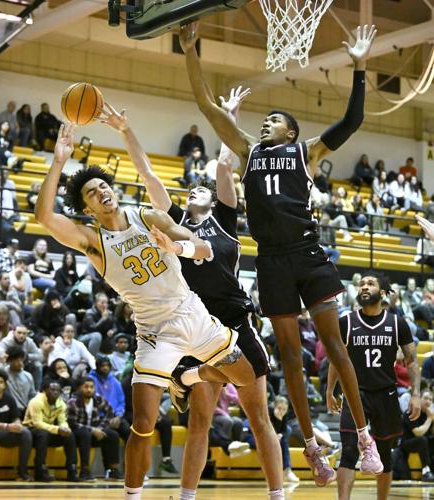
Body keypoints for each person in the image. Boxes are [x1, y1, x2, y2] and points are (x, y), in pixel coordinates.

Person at [180, 20, 382, 485]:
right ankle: (312, 447)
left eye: (275, 120)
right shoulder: (249, 151)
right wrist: (192, 51)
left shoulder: (305, 152)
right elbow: (206, 106)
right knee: (289, 357)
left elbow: (352, 122)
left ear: (291, 133)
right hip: (271, 260)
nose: (265, 122)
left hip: (308, 254)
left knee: (335, 345)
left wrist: (359, 67)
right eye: (265, 120)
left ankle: (364, 435)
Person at [35, 122, 256, 500]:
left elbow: (203, 249)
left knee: (246, 377)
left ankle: (184, 379)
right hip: (154, 332)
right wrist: (58, 162)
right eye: (91, 192)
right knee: (142, 423)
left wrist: (176, 248)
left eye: (103, 185)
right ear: (86, 207)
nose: (101, 191)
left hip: (194, 314)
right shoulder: (92, 241)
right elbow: (44, 217)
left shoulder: (147, 215)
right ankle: (132, 496)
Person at [100, 89, 284, 498]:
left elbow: (223, 161)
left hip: (234, 319)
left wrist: (228, 115)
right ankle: (186, 496)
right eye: (192, 189)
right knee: (199, 420)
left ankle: (277, 494)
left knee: (259, 414)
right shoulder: (173, 221)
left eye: (202, 189)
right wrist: (128, 132)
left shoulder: (225, 217)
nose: (196, 190)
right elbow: (147, 173)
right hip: (195, 321)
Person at [326, 271, 421, 500]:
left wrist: (416, 393)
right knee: (348, 451)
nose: (364, 287)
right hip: (354, 393)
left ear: (383, 292)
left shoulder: (397, 323)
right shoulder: (346, 322)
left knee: (385, 455)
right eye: (361, 284)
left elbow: (412, 360)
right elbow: (336, 360)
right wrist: (330, 390)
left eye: (370, 283)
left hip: (386, 394)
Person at [67, 377, 122, 481]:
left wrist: (100, 427)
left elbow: (110, 412)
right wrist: (92, 429)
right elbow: (72, 424)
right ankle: (85, 471)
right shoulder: (72, 402)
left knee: (113, 434)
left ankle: (112, 470)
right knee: (85, 434)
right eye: (86, 387)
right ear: (79, 388)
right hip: (77, 433)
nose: (89, 389)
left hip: (94, 431)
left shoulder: (97, 398)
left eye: (91, 387)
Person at [23, 379, 78, 482]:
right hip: (31, 431)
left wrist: (65, 428)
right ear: (45, 390)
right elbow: (37, 423)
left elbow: (62, 420)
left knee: (69, 435)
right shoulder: (36, 401)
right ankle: (40, 470)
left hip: (48, 430)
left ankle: (72, 469)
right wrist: (57, 429)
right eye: (52, 389)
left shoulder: (61, 404)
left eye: (58, 390)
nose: (55, 392)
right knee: (42, 434)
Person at [0, 369, 33, 482]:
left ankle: (22, 472)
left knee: (26, 432)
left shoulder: (9, 399)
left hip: (5, 434)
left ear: (5, 385)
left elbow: (16, 417)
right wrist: (6, 426)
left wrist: (17, 424)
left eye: (1, 382)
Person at [399, 389, 434, 482]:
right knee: (422, 440)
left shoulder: (428, 414)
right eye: (426, 398)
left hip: (423, 442)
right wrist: (430, 419)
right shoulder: (411, 412)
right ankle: (425, 471)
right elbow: (418, 433)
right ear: (419, 399)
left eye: (431, 399)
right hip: (407, 443)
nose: (428, 401)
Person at [0, 324, 43, 389]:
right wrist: (4, 355)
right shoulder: (7, 341)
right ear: (13, 332)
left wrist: (26, 356)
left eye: (24, 333)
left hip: (24, 363)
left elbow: (39, 356)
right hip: (9, 364)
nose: (21, 336)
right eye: (19, 333)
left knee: (38, 365)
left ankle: (37, 390)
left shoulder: (29, 341)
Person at [3, 346, 36, 418]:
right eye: (16, 360)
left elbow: (32, 395)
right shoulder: (3, 374)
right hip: (9, 410)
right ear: (9, 361)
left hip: (26, 410)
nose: (20, 363)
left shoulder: (28, 376)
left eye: (21, 359)